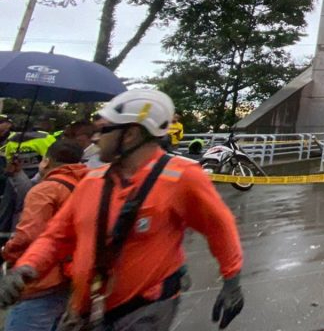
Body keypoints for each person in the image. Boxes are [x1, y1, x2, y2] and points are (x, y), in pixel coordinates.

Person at [0, 89, 245, 330]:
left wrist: (231, 280)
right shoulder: (92, 181)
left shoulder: (182, 178)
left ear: (130, 135)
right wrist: (26, 268)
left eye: (104, 130)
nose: (96, 138)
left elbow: (219, 228)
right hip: (89, 310)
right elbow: (56, 236)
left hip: (145, 309)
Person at [2, 140, 87, 331]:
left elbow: (28, 237)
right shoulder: (86, 186)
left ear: (46, 161)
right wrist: (17, 174)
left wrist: (6, 252)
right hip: (71, 279)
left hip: (40, 282)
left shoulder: (46, 190)